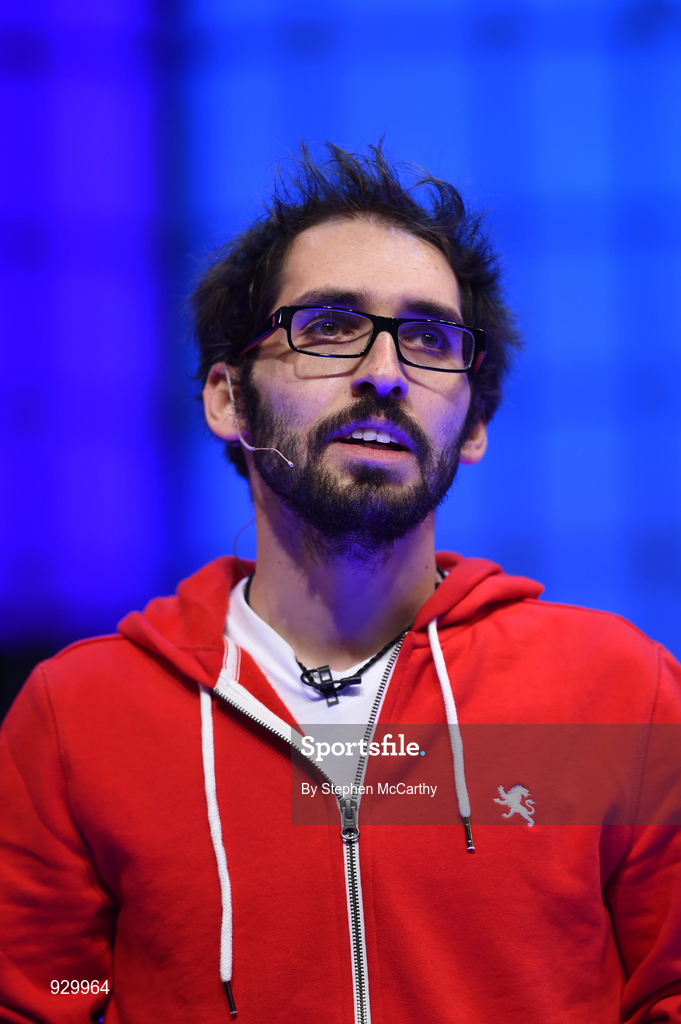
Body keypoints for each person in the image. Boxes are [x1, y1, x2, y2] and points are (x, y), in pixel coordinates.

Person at [1, 145, 680, 1024]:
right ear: (227, 400)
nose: (385, 371)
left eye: (430, 339)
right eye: (328, 326)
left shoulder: (613, 691)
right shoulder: (80, 716)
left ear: (471, 423)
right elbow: (43, 999)